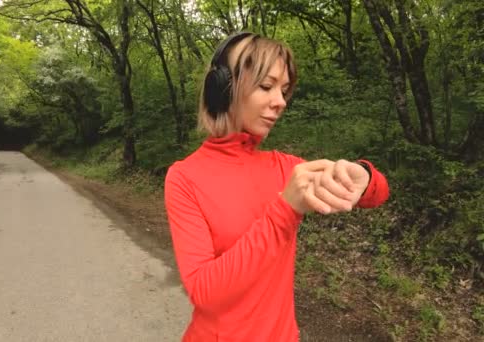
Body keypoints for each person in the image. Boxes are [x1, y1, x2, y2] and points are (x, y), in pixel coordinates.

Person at [164, 31, 390, 342]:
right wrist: (285, 210)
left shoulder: (287, 168)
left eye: (284, 90)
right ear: (224, 90)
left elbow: (377, 193)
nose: (280, 101)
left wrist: (364, 176)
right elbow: (203, 290)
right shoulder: (184, 177)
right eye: (266, 86)